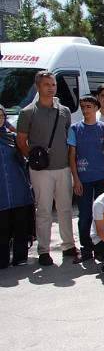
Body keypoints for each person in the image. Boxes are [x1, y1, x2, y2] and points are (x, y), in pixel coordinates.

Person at [16, 71, 80, 265]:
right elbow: (21, 140)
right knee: (43, 210)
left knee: (65, 209)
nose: (51, 87)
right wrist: (35, 159)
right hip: (41, 171)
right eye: (46, 84)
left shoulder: (64, 111)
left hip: (63, 168)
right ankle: (44, 250)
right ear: (38, 87)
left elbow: (68, 139)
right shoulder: (27, 112)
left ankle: (68, 245)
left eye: (53, 84)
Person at [68, 95, 104, 262]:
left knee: (101, 214)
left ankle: (100, 247)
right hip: (83, 178)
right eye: (83, 107)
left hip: (101, 177)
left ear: (96, 108)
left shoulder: (103, 128)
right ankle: (86, 249)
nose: (86, 110)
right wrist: (75, 179)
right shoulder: (75, 128)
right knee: (84, 215)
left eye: (89, 107)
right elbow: (71, 156)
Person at [0, 104, 34, 269]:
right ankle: (2, 260)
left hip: (18, 186)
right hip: (1, 191)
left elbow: (23, 159)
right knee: (2, 227)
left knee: (20, 223)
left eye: (1, 116)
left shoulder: (11, 137)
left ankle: (20, 257)